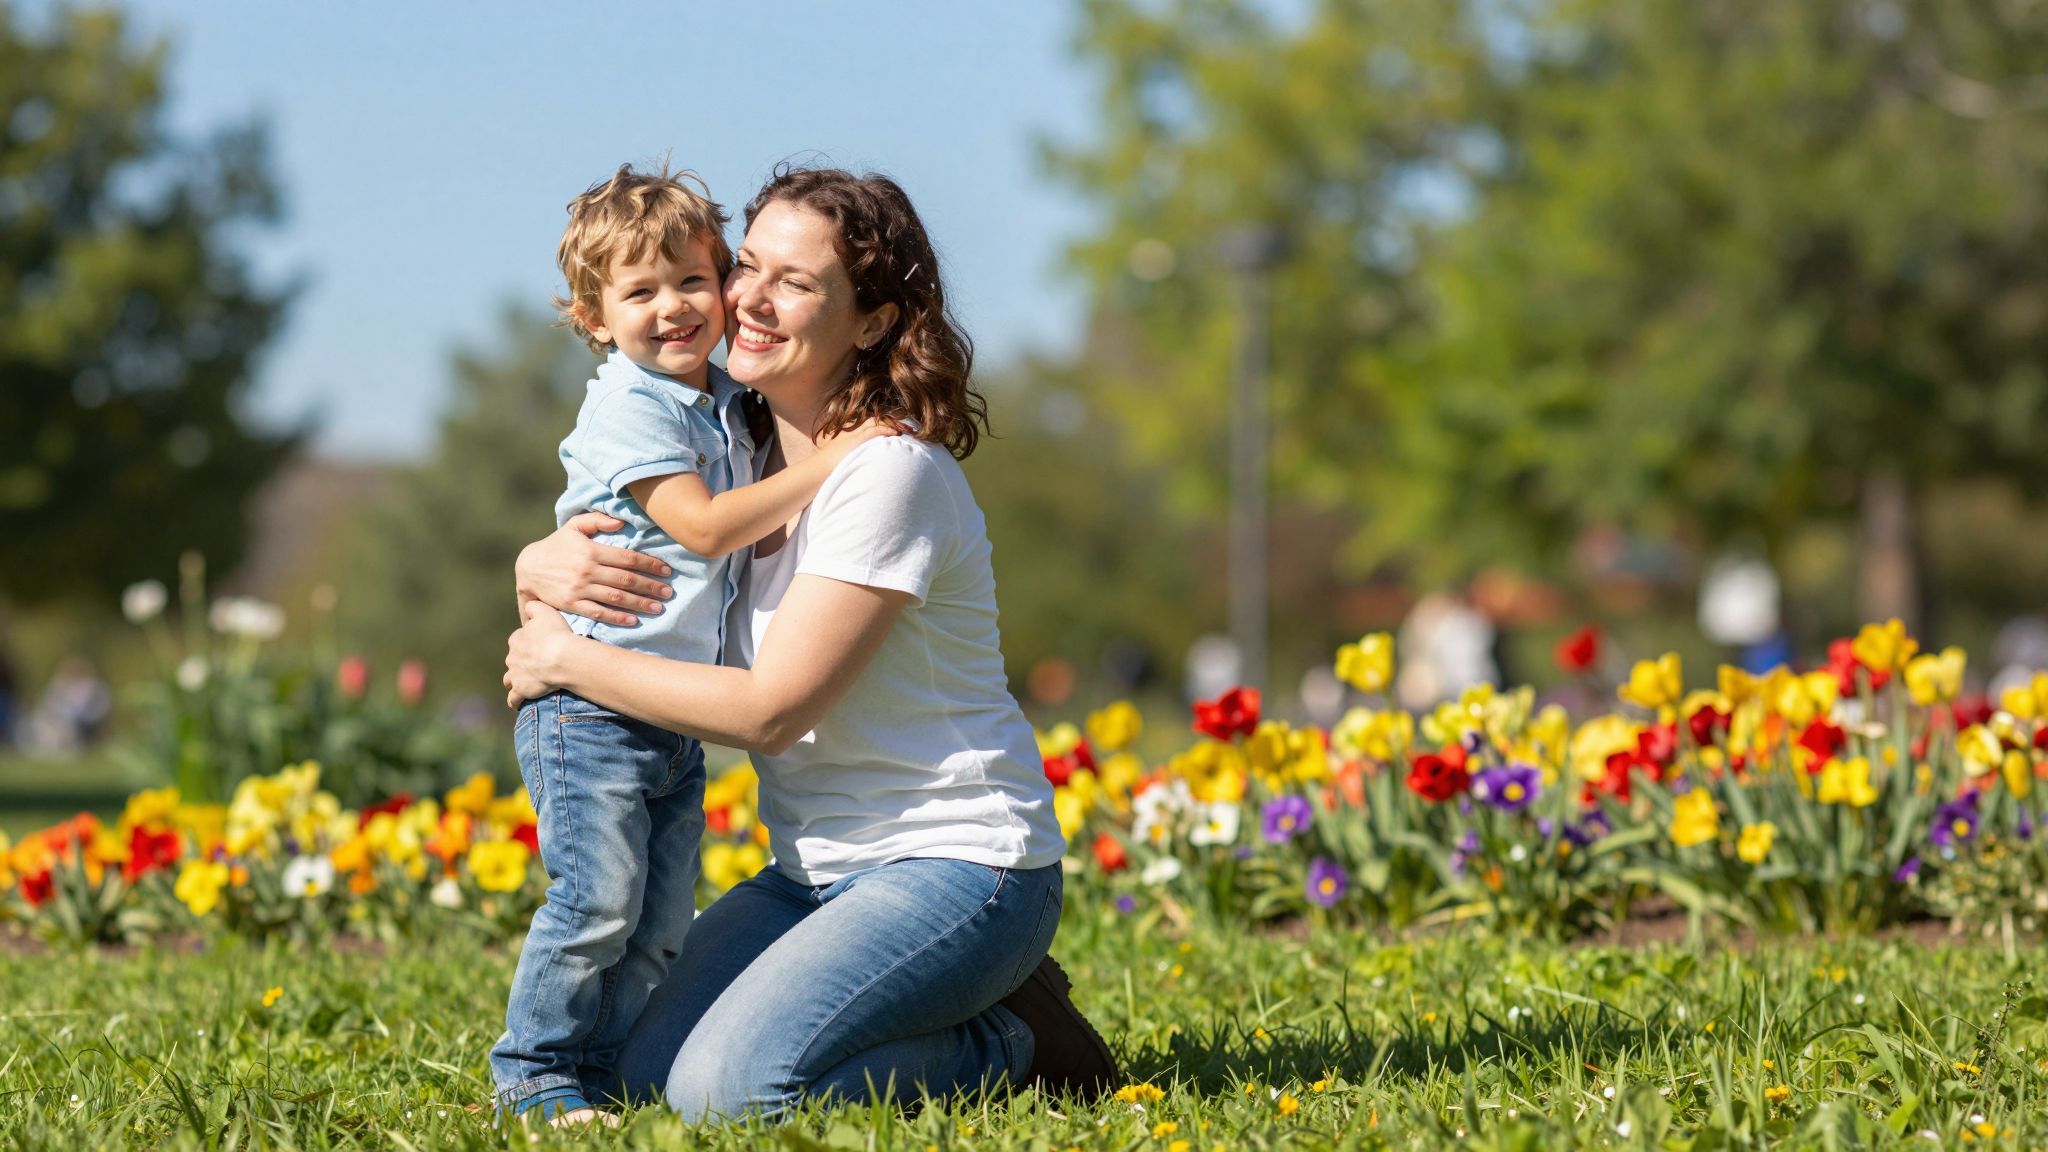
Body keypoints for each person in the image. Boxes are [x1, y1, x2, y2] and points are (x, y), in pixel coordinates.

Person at [505, 165, 1115, 1121]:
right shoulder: (732, 447)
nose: (749, 298)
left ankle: (1012, 1040)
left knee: (732, 1097)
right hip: (810, 875)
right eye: (745, 266)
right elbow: (627, 518)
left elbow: (774, 713)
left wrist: (565, 661)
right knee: (636, 1078)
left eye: (794, 282)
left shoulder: (886, 473)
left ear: (871, 321)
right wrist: (539, 565)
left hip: (958, 867)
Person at [490, 162, 889, 1125]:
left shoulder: (718, 398)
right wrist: (840, 460)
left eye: (692, 281)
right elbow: (710, 529)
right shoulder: (632, 406)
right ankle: (536, 1074)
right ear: (593, 318)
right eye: (639, 292)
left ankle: (606, 1068)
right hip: (589, 712)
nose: (673, 307)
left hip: (663, 714)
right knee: (595, 906)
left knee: (657, 927)